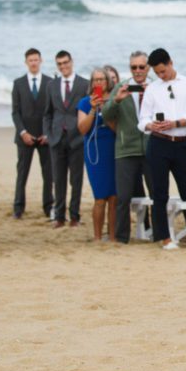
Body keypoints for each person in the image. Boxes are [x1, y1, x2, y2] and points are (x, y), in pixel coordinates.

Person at [137, 48, 186, 249]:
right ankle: (164, 237)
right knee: (159, 192)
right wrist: (150, 125)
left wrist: (178, 123)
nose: (161, 76)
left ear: (171, 63)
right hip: (159, 143)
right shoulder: (152, 88)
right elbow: (143, 119)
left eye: (163, 71)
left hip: (183, 144)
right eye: (157, 73)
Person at [101, 51, 153, 244]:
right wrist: (116, 100)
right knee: (123, 197)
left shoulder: (156, 86)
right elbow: (106, 115)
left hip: (150, 148)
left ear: (147, 68)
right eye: (134, 67)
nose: (138, 71)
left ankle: (154, 232)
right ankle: (122, 237)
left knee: (155, 194)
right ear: (130, 67)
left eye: (141, 67)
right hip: (125, 149)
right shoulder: (121, 87)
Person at [43, 50, 89, 228]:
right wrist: (48, 133)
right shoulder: (51, 85)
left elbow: (86, 110)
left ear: (72, 62)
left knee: (76, 180)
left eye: (65, 63)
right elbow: (47, 113)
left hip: (77, 138)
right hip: (56, 139)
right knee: (58, 179)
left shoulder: (83, 84)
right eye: (59, 64)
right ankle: (59, 216)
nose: (63, 66)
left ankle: (75, 216)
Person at [11, 48, 53, 220]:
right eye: (30, 60)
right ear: (26, 62)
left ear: (41, 61)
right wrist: (23, 133)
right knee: (22, 173)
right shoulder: (18, 83)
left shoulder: (50, 82)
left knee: (48, 174)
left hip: (45, 137)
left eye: (36, 59)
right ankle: (18, 208)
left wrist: (48, 133)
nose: (34, 63)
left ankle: (49, 206)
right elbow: (15, 112)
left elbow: (53, 111)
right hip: (24, 137)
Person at [78, 68, 118, 242]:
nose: (99, 83)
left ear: (108, 81)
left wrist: (105, 109)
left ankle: (113, 236)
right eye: (95, 80)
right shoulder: (85, 102)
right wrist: (94, 110)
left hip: (113, 147)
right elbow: (82, 129)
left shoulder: (115, 100)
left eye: (102, 79)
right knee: (100, 195)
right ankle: (97, 236)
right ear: (91, 82)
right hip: (95, 149)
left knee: (114, 197)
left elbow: (117, 128)